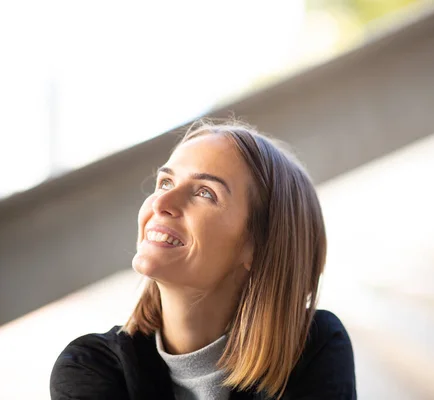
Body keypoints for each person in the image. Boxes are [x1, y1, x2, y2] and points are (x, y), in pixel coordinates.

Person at [50, 119, 356, 399]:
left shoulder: (313, 348)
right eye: (166, 182)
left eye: (205, 193)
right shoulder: (89, 366)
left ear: (258, 246)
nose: (161, 202)